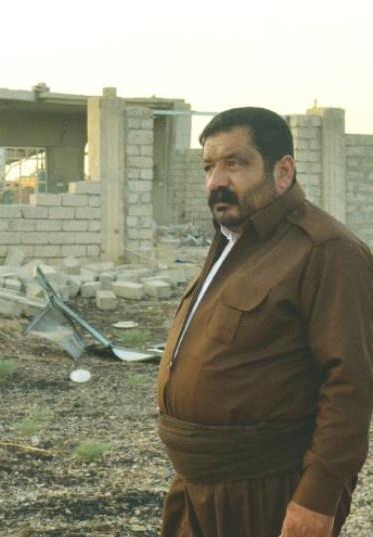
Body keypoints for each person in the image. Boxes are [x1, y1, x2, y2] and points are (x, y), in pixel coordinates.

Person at [156, 107, 372, 537]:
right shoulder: (233, 242)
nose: (217, 180)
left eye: (234, 163)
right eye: (209, 166)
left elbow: (350, 382)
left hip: (268, 489)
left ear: (283, 171)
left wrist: (318, 497)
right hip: (201, 488)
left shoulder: (326, 251)